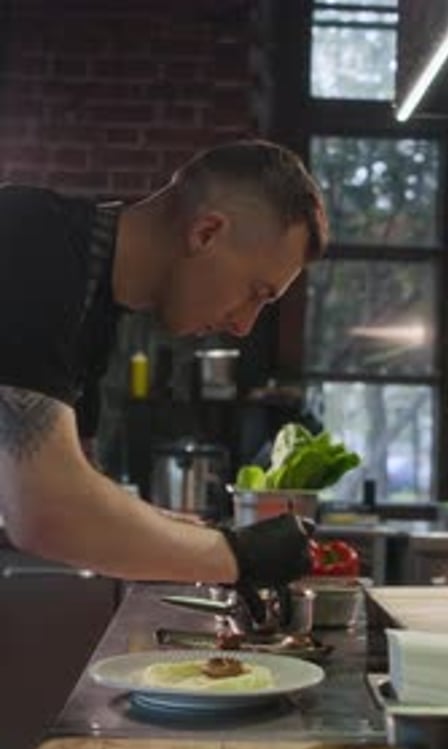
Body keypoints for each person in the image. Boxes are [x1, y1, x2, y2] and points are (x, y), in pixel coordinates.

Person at [0, 140, 328, 592]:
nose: (244, 326)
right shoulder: (30, 240)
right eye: (256, 292)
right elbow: (49, 513)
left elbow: (84, 488)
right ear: (206, 233)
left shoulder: (92, 311)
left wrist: (203, 536)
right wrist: (239, 557)